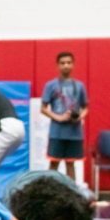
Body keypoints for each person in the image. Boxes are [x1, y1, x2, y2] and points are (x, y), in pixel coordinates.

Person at [41, 51, 88, 180]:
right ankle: (49, 192)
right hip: (57, 132)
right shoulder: (50, 85)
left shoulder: (80, 86)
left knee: (71, 163)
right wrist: (59, 117)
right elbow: (43, 108)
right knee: (54, 162)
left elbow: (86, 107)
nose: (66, 65)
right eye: (62, 63)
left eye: (69, 63)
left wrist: (80, 116)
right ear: (58, 65)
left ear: (73, 65)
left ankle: (71, 193)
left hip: (75, 132)